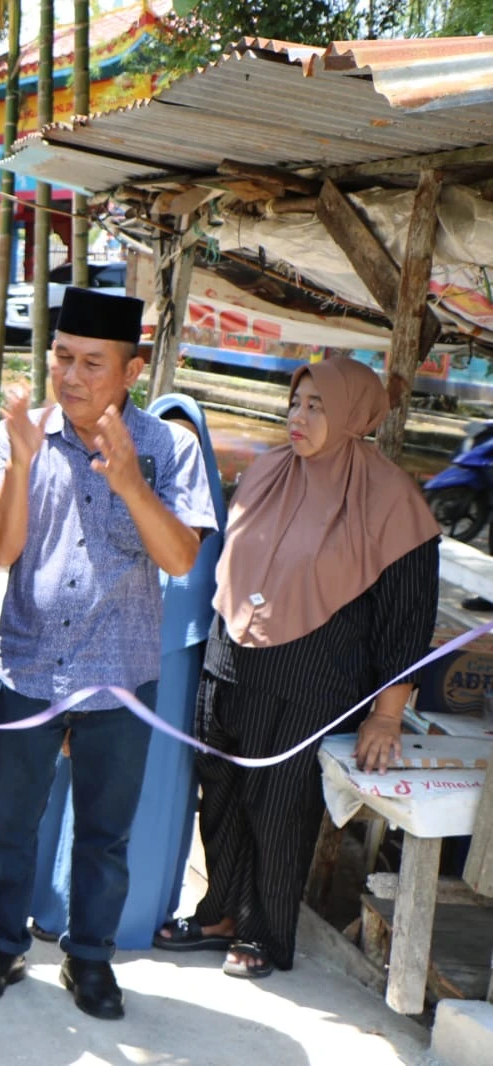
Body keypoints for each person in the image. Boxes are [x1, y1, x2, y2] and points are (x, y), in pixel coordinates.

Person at [0, 287, 216, 1021]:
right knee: (8, 823)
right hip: (29, 660)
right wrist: (18, 462)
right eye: (62, 358)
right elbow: (2, 549)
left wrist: (130, 481)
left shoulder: (169, 447)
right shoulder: (21, 433)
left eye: (91, 363)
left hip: (121, 672)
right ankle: (0, 945)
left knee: (106, 833)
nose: (71, 377)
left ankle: (90, 956)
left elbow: (179, 558)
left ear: (131, 369)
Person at [161, 358, 438, 979]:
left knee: (279, 808)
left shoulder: (390, 500)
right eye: (296, 402)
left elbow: (407, 620)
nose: (299, 416)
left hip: (311, 679)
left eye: (318, 406)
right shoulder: (267, 472)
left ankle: (263, 931)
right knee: (221, 794)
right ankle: (220, 912)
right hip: (230, 663)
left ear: (352, 414)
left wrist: (386, 716)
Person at [28, 393, 226, 949]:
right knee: (84, 794)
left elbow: (198, 587)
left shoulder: (208, 534)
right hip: (106, 665)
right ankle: (60, 908)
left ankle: (134, 918)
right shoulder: (111, 509)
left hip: (175, 675)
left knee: (154, 797)